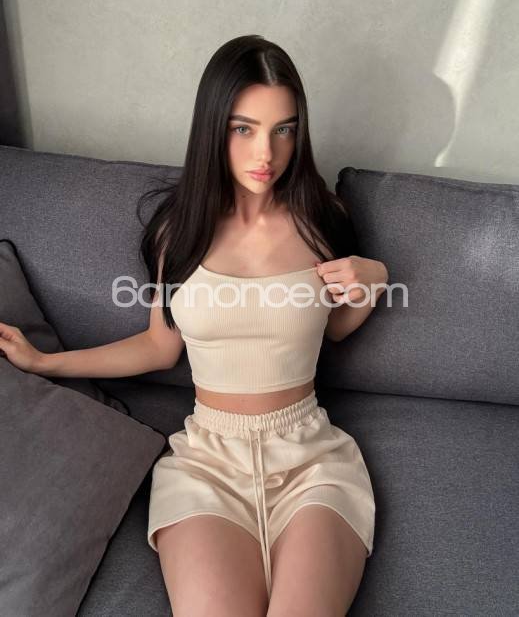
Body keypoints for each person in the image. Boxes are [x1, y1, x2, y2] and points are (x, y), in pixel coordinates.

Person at [0, 35, 388, 617]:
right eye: (244, 129)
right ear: (213, 128)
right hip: (209, 463)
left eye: (283, 129)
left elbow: (334, 328)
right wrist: (46, 362)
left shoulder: (323, 219)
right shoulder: (176, 231)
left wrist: (375, 279)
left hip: (310, 459)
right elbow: (160, 347)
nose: (266, 152)